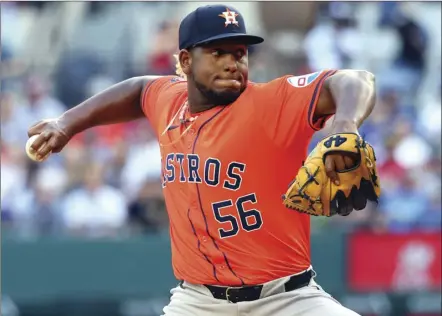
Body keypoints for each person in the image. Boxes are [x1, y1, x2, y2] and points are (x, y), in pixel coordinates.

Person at [28, 4, 376, 316]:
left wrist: (345, 123)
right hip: (197, 303)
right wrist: (66, 123)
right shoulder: (169, 100)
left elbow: (355, 80)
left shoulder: (272, 103)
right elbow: (138, 89)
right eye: (217, 52)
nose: (232, 62)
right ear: (184, 61)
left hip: (285, 299)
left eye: (240, 53)